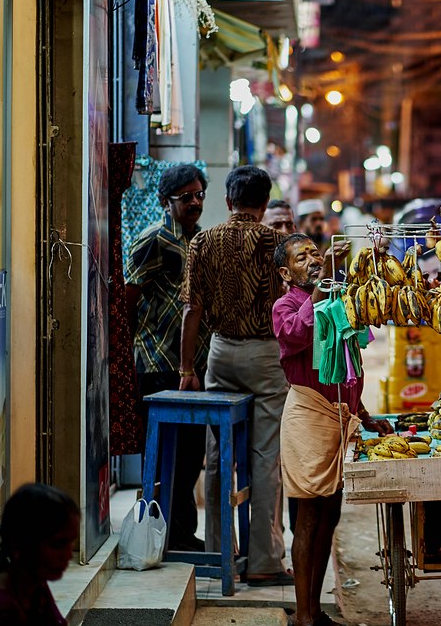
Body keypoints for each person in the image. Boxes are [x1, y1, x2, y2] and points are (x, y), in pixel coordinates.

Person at [179, 165, 293, 587]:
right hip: (266, 357)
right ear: (264, 205)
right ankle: (263, 559)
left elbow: (192, 310)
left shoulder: (204, 241)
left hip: (221, 354)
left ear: (227, 201)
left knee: (217, 455)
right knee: (265, 459)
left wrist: (187, 368)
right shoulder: (278, 244)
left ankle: (216, 552)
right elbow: (293, 305)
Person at [272, 234, 392, 626]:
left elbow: (347, 368)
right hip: (308, 419)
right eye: (301, 257)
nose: (312, 260)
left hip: (340, 417)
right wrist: (320, 295)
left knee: (329, 517)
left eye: (314, 253)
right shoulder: (285, 306)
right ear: (285, 272)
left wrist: (365, 413)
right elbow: (298, 334)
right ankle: (304, 618)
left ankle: (314, 611)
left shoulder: (338, 301)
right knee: (308, 517)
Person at [124, 163, 210, 552]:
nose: (194, 202)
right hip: (157, 363)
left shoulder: (200, 241)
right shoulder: (153, 239)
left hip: (191, 366)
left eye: (198, 195)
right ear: (166, 201)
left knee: (191, 455)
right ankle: (159, 535)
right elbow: (127, 295)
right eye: (185, 197)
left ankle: (180, 534)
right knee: (162, 456)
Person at [0, 483, 81, 626]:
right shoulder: (3, 609)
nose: (69, 556)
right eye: (58, 544)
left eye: (71, 544)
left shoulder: (34, 586)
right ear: (21, 544)